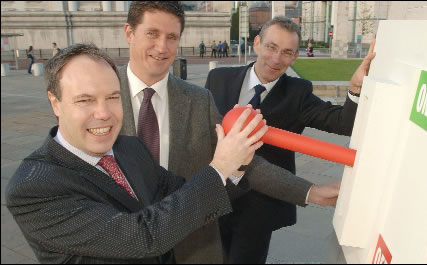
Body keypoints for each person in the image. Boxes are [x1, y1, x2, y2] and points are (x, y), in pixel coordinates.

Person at [6, 43, 267, 264]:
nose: (104, 113)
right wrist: (220, 166)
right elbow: (142, 236)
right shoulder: (33, 187)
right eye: (85, 100)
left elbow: (182, 193)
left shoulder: (130, 147)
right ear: (56, 103)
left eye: (113, 97)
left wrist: (235, 167)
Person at [120, 2, 340, 263]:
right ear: (129, 33)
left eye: (172, 37)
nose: (162, 47)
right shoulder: (98, 97)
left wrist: (311, 191)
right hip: (118, 243)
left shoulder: (198, 100)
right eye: (152, 33)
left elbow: (244, 162)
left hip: (188, 247)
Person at [205, 16, 376, 264]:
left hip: (260, 204)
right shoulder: (218, 78)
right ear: (257, 44)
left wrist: (355, 87)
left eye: (286, 52)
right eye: (271, 47)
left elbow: (342, 123)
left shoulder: (298, 93)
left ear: (295, 57)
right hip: (212, 198)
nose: (276, 59)